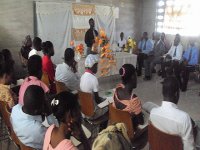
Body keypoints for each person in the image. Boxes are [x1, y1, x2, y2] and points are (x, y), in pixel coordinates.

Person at [150, 77, 195, 150]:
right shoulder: (184, 118)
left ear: (162, 93)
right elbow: (189, 148)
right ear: (177, 94)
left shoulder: (153, 113)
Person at [11, 85, 57, 149]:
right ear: (36, 111)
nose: (46, 102)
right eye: (44, 102)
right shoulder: (37, 129)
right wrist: (49, 113)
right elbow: (56, 137)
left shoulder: (15, 109)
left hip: (24, 141)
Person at [113, 64, 144, 129]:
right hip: (129, 129)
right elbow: (141, 122)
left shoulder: (118, 88)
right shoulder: (133, 99)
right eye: (136, 76)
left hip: (119, 122)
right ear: (133, 77)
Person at [80, 54, 107, 119]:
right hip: (92, 113)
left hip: (83, 111)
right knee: (108, 106)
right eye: (96, 66)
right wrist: (106, 101)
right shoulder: (93, 78)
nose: (97, 68)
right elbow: (97, 100)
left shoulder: (82, 76)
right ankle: (103, 126)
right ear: (93, 66)